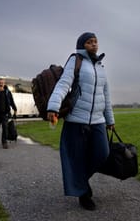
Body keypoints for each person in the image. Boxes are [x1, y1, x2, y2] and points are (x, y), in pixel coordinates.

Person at [47, 32, 115, 210]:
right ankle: (83, 193)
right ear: (82, 45)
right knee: (76, 158)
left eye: (96, 41)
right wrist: (53, 107)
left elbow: (105, 95)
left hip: (98, 120)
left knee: (103, 153)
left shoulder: (100, 66)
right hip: (76, 119)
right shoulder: (76, 60)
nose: (94, 44)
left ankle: (81, 181)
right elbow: (63, 84)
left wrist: (110, 119)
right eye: (89, 42)